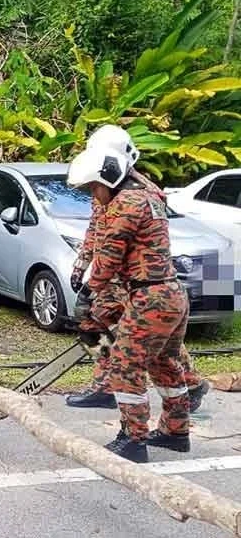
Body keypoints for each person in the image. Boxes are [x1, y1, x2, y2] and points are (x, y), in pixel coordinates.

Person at [66, 125, 210, 411]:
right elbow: (96, 229)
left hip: (136, 278)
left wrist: (92, 285)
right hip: (118, 276)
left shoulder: (137, 194)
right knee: (93, 321)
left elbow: (114, 245)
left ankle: (190, 384)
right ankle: (106, 384)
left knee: (151, 336)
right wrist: (81, 264)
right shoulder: (105, 184)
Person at [68, 145, 190, 462]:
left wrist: (88, 293)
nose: (93, 195)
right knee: (164, 364)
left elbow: (108, 258)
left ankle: (133, 440)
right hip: (170, 293)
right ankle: (176, 432)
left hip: (150, 297)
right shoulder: (148, 194)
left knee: (124, 366)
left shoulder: (126, 205)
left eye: (94, 187)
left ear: (109, 178)